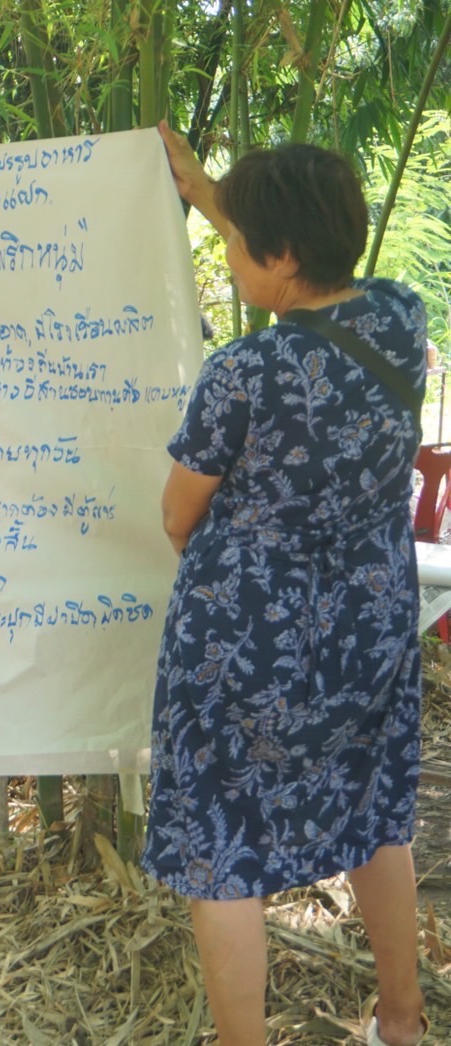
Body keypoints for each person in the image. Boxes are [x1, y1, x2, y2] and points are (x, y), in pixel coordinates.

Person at [145, 123, 429, 1046]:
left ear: (283, 254)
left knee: (223, 849)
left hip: (246, 641)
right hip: (372, 626)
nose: (225, 256)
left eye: (232, 241)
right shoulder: (401, 316)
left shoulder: (244, 373)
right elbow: (292, 238)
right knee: (376, 806)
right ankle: (404, 1018)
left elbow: (178, 513)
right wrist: (206, 190)